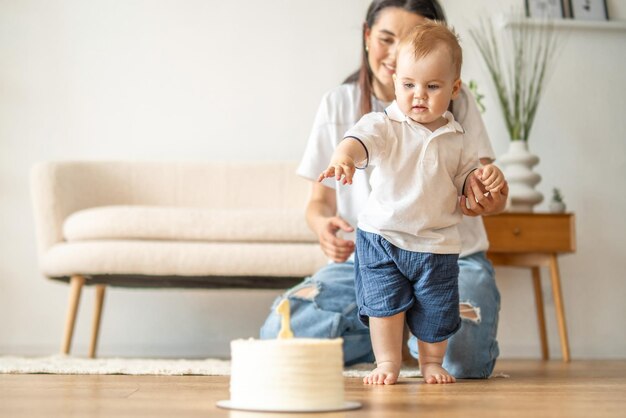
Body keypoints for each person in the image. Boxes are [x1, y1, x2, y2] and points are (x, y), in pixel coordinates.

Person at [260, 0, 509, 380]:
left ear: (451, 83)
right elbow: (319, 202)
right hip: (375, 252)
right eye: (388, 39)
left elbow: (477, 179)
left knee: (463, 359)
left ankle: (417, 332)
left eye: (413, 41)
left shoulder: (456, 110)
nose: (396, 55)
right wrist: (323, 226)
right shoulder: (348, 107)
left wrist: (487, 192)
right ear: (366, 37)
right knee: (281, 336)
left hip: (448, 254)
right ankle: (391, 328)